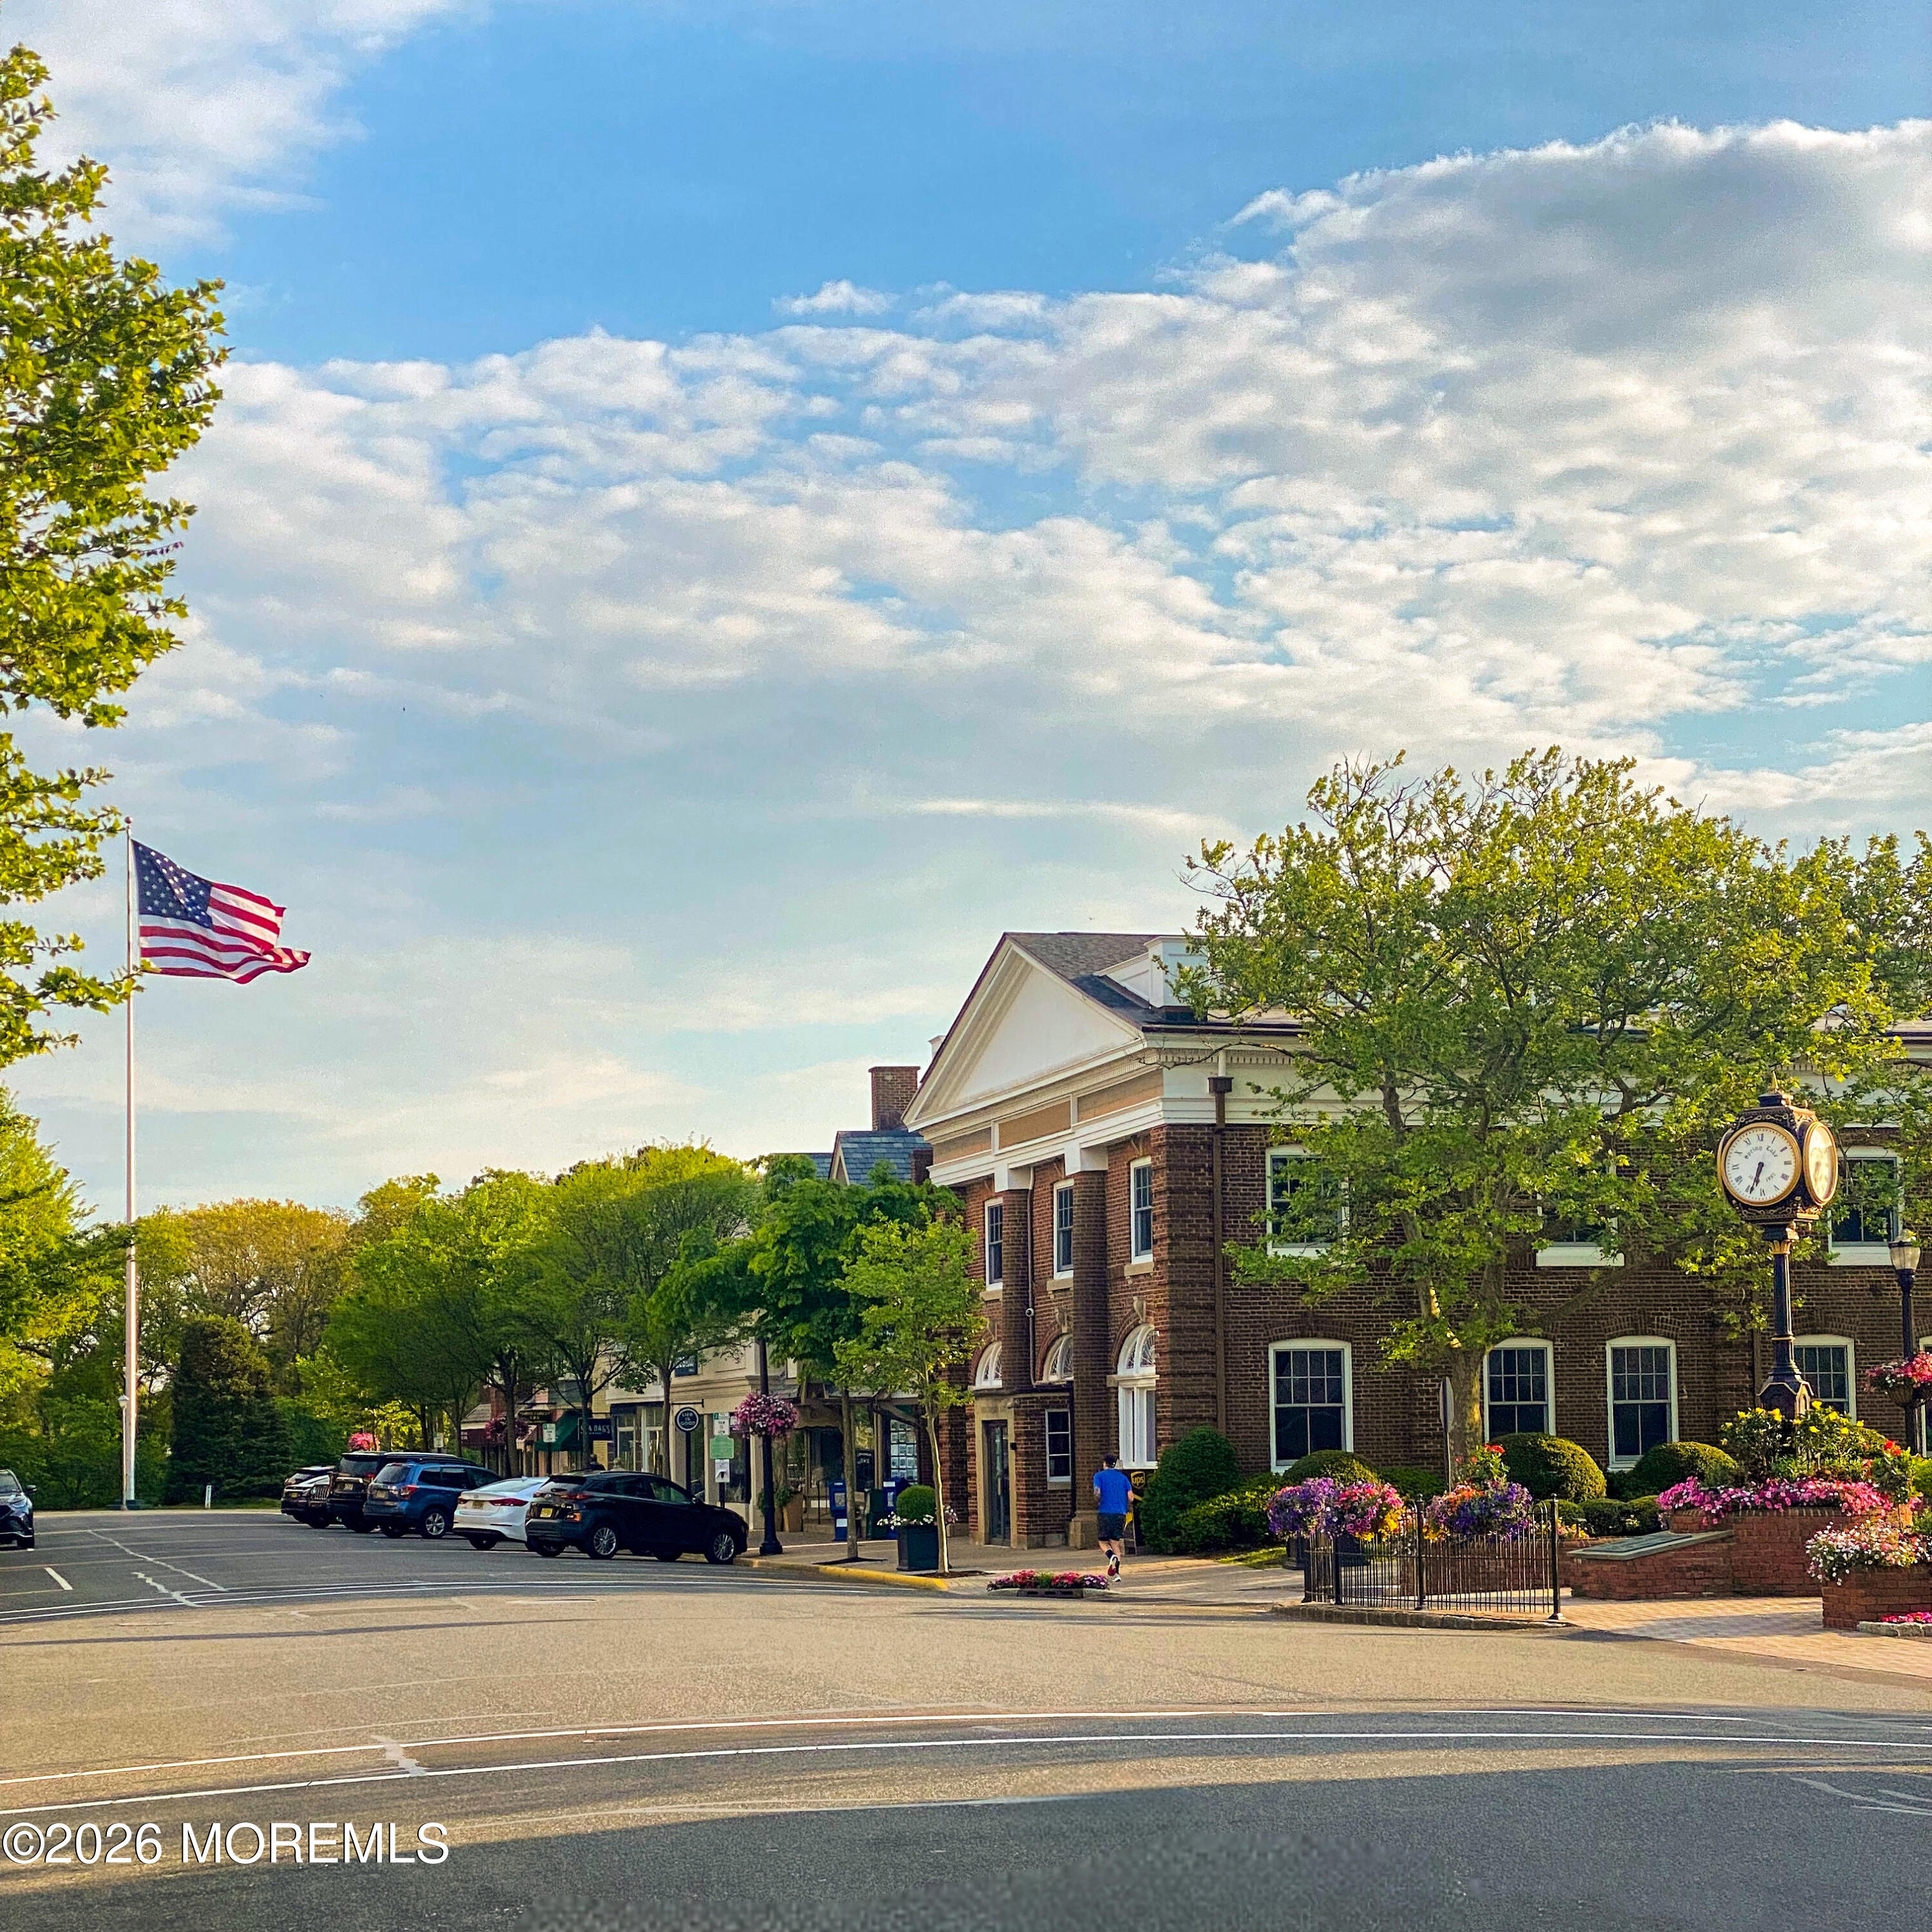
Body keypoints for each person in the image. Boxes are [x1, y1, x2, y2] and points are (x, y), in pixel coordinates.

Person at [1093, 1454, 1133, 1579]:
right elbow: (1131, 1497)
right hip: (1121, 1513)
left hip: (1105, 1512)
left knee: (1103, 1542)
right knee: (1116, 1543)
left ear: (1105, 1463)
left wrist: (1098, 1500)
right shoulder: (1123, 1478)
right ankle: (1117, 1574)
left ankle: (1111, 1557)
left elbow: (1097, 1492)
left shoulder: (1099, 1476)